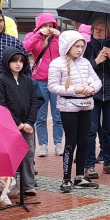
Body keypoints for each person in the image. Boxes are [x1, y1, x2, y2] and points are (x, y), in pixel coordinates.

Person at [48, 30, 101, 193]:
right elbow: (52, 86)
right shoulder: (57, 63)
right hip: (68, 108)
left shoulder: (85, 63)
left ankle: (79, 176)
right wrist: (74, 90)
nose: (79, 49)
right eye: (76, 46)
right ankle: (66, 178)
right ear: (67, 46)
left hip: (86, 106)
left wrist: (91, 88)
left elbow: (97, 80)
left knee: (84, 141)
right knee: (71, 142)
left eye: (81, 46)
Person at [0, 47, 41, 195]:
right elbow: (1, 104)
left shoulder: (28, 81)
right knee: (11, 156)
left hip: (27, 125)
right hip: (9, 126)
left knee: (28, 155)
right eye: (14, 61)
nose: (18, 64)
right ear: (7, 62)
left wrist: (29, 122)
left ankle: (28, 186)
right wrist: (17, 123)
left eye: (21, 61)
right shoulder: (0, 80)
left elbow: (34, 101)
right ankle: (10, 187)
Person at [83, 18, 110, 179]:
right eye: (96, 28)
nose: (98, 31)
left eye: (102, 29)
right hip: (91, 93)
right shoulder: (86, 48)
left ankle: (108, 162)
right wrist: (96, 61)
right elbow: (82, 72)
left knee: (109, 130)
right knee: (91, 130)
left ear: (109, 33)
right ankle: (88, 165)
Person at [23, 13, 64, 157]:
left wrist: (60, 36)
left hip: (56, 80)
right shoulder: (32, 36)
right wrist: (39, 35)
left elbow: (68, 51)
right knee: (40, 116)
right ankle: (43, 145)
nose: (48, 28)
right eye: (45, 25)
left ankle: (59, 144)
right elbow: (24, 49)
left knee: (58, 116)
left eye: (51, 25)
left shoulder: (59, 37)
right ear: (39, 26)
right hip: (39, 80)